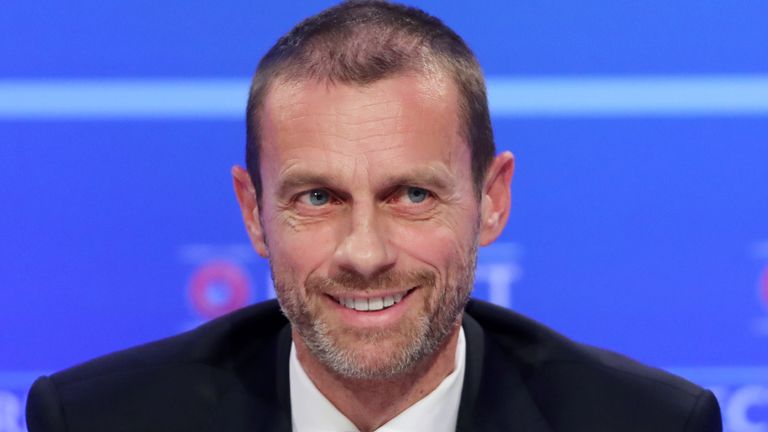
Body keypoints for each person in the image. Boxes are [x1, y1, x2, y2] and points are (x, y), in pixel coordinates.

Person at [26, 1, 722, 431]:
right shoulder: (98, 421)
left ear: (492, 199)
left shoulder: (645, 424)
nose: (364, 254)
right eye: (318, 199)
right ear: (254, 213)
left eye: (412, 196)